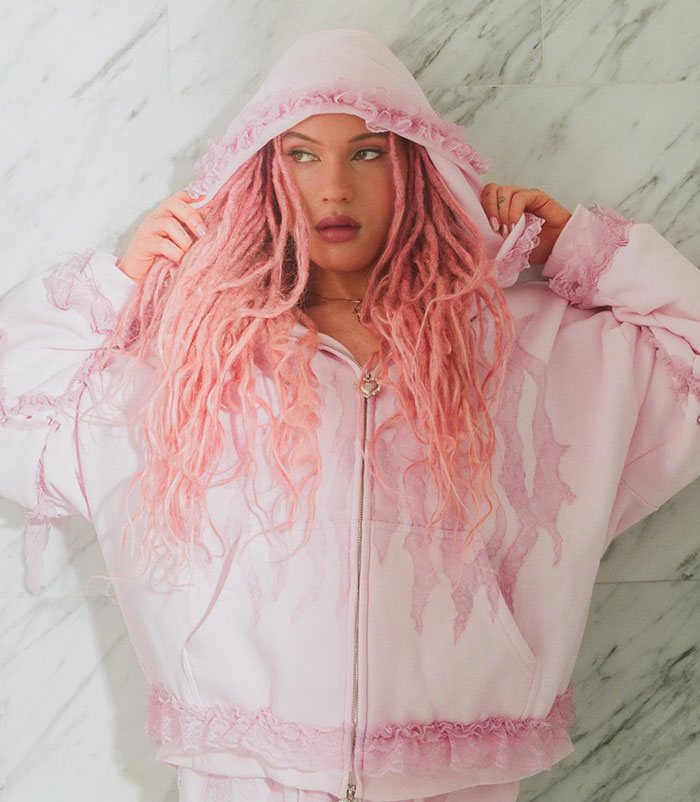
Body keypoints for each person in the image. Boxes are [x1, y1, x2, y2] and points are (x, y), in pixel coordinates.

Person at [1, 27, 699, 802]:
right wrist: (117, 286)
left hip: (454, 774)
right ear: (261, 175)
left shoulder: (518, 347)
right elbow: (17, 409)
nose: (332, 187)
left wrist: (581, 248)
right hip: (247, 777)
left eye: (367, 153)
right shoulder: (195, 363)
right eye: (300, 154)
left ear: (417, 170)